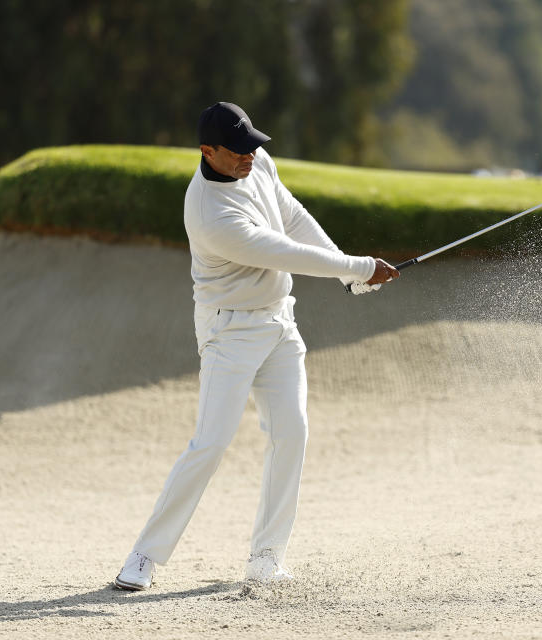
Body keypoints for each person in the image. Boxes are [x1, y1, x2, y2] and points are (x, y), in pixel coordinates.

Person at [114, 102, 398, 591]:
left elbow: (291, 215)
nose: (251, 156)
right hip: (230, 333)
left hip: (279, 323)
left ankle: (266, 557)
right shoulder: (209, 213)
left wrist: (343, 271)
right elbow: (279, 249)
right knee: (212, 443)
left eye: (252, 145)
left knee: (292, 433)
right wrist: (356, 268)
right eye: (238, 149)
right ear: (208, 152)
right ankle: (144, 555)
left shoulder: (257, 162)